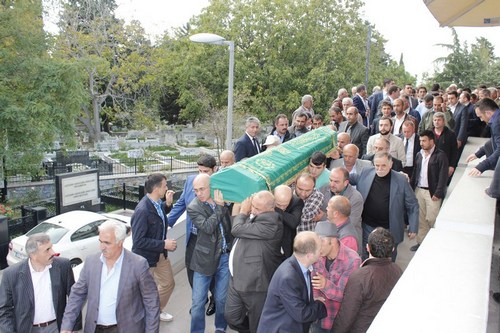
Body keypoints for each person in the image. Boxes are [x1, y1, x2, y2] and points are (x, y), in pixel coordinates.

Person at [61, 220, 160, 333]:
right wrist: (67, 326)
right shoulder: (91, 262)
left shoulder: (138, 264)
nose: (102, 247)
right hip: (94, 329)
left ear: (120, 242)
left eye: (107, 243)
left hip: (127, 328)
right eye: (100, 241)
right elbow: (77, 295)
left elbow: (151, 302)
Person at [225, 191, 284, 333]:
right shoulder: (256, 216)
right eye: (252, 206)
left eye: (257, 208)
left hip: (255, 284)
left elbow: (237, 229)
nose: (252, 210)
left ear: (270, 208)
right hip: (237, 278)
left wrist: (243, 212)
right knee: (232, 317)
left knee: (257, 323)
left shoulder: (271, 223)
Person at [0, 233, 81, 333]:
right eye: (47, 250)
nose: (53, 252)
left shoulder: (63, 266)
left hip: (57, 327)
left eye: (51, 247)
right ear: (33, 255)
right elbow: (4, 310)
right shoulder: (11, 274)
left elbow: (74, 298)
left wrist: (73, 328)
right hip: (27, 329)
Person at [167, 155, 218, 315]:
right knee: (191, 270)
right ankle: (200, 298)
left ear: (214, 170)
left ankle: (214, 299)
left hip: (211, 238)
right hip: (193, 237)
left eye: (206, 171)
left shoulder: (219, 184)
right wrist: (165, 224)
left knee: (211, 272)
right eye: (199, 170)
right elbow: (181, 204)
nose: (201, 174)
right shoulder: (191, 181)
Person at [332, 227, 403, 333]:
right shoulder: (398, 271)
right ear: (393, 249)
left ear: (367, 247)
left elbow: (347, 313)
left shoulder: (360, 276)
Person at [350, 152, 419, 261]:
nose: (380, 168)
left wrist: (413, 227)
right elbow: (347, 177)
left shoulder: (401, 180)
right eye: (377, 165)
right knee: (366, 255)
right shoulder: (365, 173)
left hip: (390, 228)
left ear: (390, 164)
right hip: (367, 226)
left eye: (383, 165)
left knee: (388, 258)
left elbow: (412, 204)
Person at [187, 174, 233, 333]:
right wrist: (220, 208)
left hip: (225, 257)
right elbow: (207, 227)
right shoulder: (194, 207)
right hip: (204, 260)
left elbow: (228, 226)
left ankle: (220, 329)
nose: (198, 193)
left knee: (221, 300)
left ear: (211, 187)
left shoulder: (221, 198)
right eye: (195, 190)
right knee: (198, 302)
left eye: (202, 189)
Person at [257, 231, 327, 333]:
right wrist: (319, 304)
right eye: (319, 248)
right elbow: (302, 315)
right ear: (309, 255)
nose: (321, 251)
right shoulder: (288, 277)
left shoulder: (298, 266)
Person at [131, 173, 177, 322]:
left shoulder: (156, 203)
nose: (167, 188)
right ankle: (145, 315)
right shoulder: (142, 210)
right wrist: (163, 244)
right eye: (165, 186)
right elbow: (138, 241)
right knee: (145, 292)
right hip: (146, 259)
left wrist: (168, 204)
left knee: (168, 284)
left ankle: (155, 310)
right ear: (157, 188)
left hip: (159, 255)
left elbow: (158, 217)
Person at [310, 222, 361, 333]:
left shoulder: (352, 261)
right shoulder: (318, 254)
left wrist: (325, 285)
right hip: (317, 318)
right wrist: (315, 297)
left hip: (336, 322)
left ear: (332, 241)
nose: (317, 248)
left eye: (321, 242)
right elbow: (312, 280)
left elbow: (346, 295)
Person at [410, 130, 448, 251]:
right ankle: (421, 243)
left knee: (432, 219)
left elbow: (443, 176)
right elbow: (415, 173)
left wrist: (438, 192)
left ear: (432, 141)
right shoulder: (419, 154)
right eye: (420, 141)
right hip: (419, 191)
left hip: (432, 193)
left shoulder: (440, 155)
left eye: (424, 141)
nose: (421, 143)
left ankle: (434, 243)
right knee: (421, 219)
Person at [319, 167, 364, 254]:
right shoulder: (324, 189)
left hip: (347, 243)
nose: (331, 184)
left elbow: (350, 221)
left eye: (336, 182)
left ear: (346, 182)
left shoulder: (355, 198)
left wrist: (323, 216)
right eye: (330, 180)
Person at [467, 98, 500, 177]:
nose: (481, 120)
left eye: (481, 116)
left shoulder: (497, 123)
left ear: (488, 113)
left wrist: (482, 166)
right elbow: (495, 140)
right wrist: (479, 153)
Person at [274, 185, 304, 258]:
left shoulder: (296, 202)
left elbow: (294, 222)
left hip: (286, 243)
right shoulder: (268, 200)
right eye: (278, 204)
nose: (282, 208)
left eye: (285, 205)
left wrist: (276, 208)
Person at [432, 112, 458, 178]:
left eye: (439, 120)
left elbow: (454, 152)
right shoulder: (429, 134)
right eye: (435, 120)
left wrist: (452, 166)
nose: (436, 122)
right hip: (431, 165)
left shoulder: (451, 134)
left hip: (445, 165)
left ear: (443, 121)